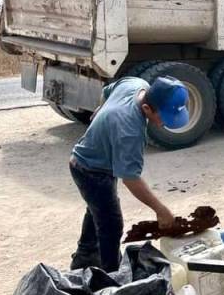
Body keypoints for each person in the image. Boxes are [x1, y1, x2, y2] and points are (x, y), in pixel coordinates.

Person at [69, 76, 189, 272]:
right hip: (90, 170)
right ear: (147, 109)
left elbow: (107, 90)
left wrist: (102, 109)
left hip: (92, 160)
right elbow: (131, 179)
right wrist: (160, 209)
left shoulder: (137, 84)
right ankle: (111, 277)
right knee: (111, 225)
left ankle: (83, 257)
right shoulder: (130, 130)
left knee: (98, 210)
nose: (164, 124)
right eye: (163, 118)